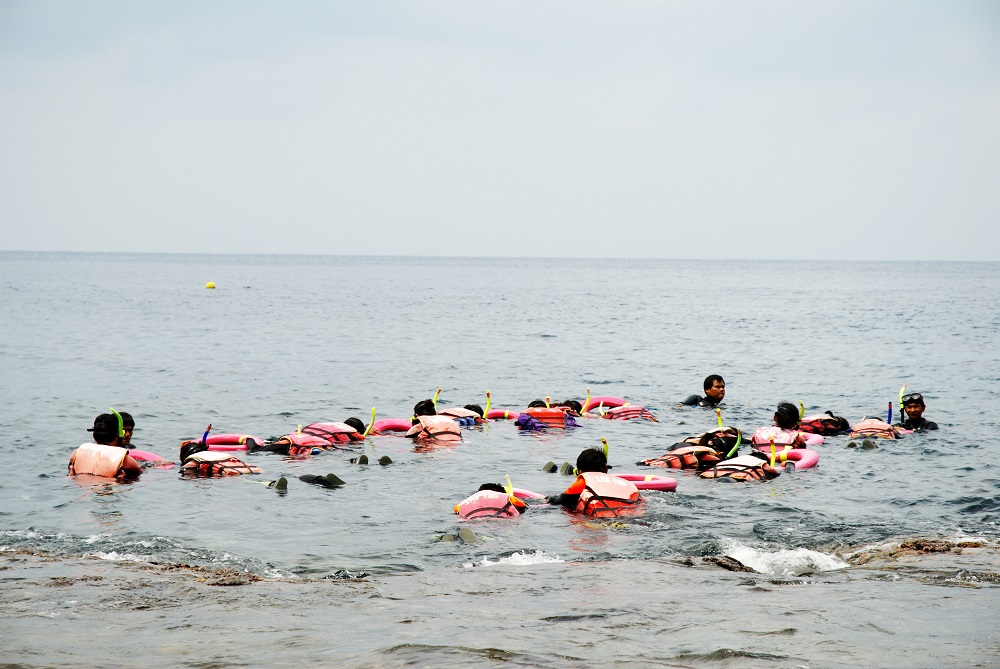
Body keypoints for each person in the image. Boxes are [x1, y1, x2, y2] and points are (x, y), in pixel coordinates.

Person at [546, 447, 642, 517]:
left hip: (600, 521)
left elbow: (558, 501)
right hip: (630, 517)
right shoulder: (628, 484)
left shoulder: (583, 482)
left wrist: (549, 498)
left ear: (580, 472)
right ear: (606, 470)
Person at [68, 412, 143, 479]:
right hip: (108, 484)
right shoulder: (125, 459)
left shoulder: (76, 453)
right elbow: (139, 475)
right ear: (117, 435)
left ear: (94, 435)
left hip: (80, 486)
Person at [455, 483, 528, 519]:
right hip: (500, 521)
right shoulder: (507, 498)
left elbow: (456, 511)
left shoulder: (463, 503)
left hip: (473, 522)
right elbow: (522, 506)